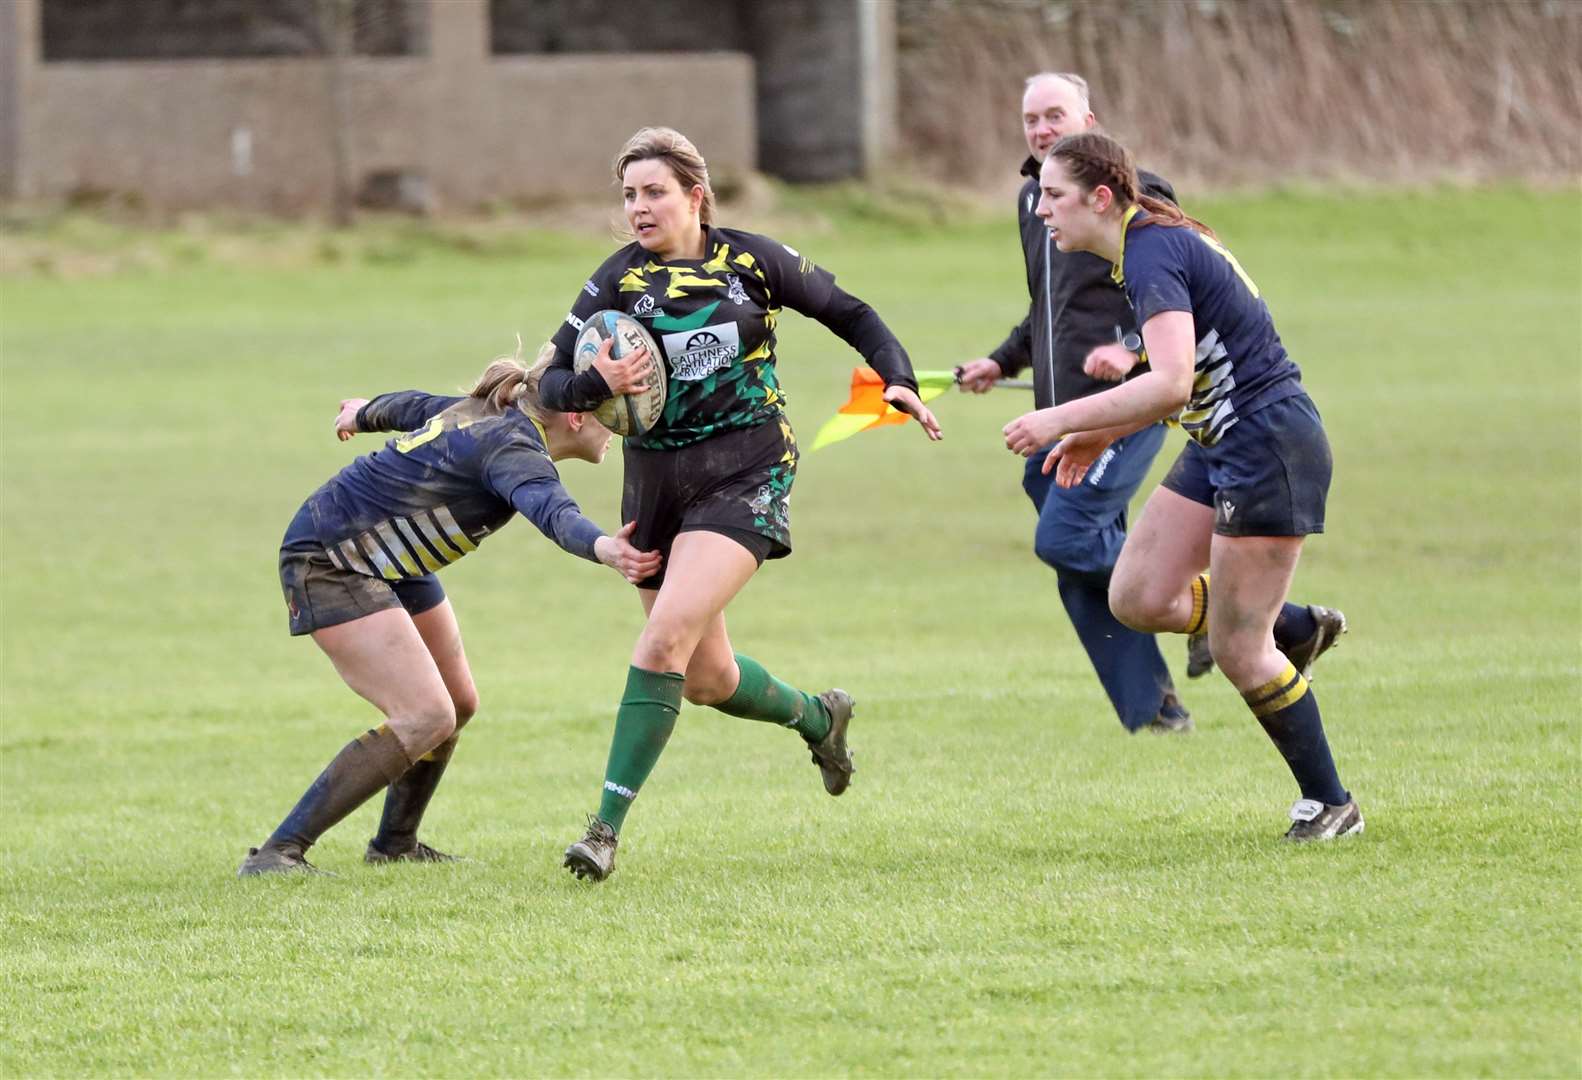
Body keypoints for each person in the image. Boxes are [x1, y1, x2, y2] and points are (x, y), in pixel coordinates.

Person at [541, 126, 941, 882]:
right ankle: (819, 718)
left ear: (695, 194)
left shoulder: (752, 260)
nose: (638, 209)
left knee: (662, 642)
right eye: (628, 195)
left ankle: (602, 832)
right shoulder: (615, 283)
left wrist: (899, 379)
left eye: (653, 191)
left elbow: (854, 314)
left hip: (748, 466)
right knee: (704, 677)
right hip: (656, 483)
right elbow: (551, 385)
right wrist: (598, 387)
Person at [1003, 131, 1358, 841]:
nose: (1041, 210)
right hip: (1222, 440)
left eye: (1054, 195)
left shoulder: (1152, 251)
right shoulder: (1145, 244)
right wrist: (1101, 431)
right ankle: (1291, 624)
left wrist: (1057, 419)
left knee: (1235, 649)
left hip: (1267, 443)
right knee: (1136, 595)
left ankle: (1331, 803)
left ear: (1101, 198)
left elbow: (1167, 384)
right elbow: (1183, 376)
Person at [237, 345, 660, 875]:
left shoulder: (496, 410)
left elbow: (413, 406)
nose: (618, 430)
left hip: (388, 558)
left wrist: (363, 412)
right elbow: (554, 512)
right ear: (577, 414)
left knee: (456, 703)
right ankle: (278, 853)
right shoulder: (513, 447)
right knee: (425, 714)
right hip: (332, 558)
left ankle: (394, 844)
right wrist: (607, 549)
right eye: (614, 416)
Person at [957, 72, 1196, 734]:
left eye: (1054, 114)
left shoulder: (1136, 193)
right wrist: (1002, 361)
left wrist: (1131, 350)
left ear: (1088, 118)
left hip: (1126, 408)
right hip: (1055, 426)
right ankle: (1155, 710)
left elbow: (1176, 291)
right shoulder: (1032, 200)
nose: (1041, 129)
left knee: (1066, 539)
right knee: (1076, 562)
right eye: (1030, 118)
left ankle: (1220, 605)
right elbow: (1048, 307)